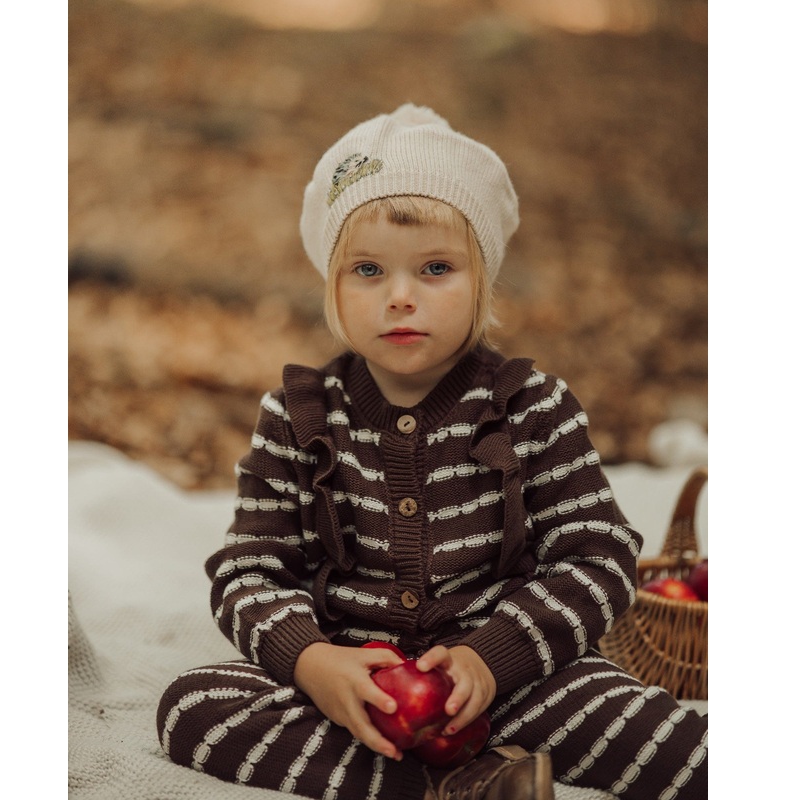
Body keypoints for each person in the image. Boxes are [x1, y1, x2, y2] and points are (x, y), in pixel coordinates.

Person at [156, 104, 708, 800]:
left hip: (512, 681)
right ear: (331, 284)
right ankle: (455, 786)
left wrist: (496, 654)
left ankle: (460, 764)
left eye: (436, 268)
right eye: (367, 270)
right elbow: (250, 572)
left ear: (483, 280)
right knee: (194, 708)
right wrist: (315, 663)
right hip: (357, 693)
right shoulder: (297, 417)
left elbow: (598, 554)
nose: (400, 297)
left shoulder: (531, 405)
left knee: (675, 745)